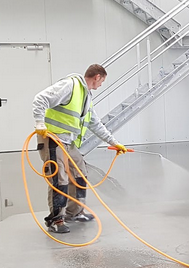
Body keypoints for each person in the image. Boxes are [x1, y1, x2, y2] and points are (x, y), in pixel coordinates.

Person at [32, 64, 128, 234]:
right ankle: (56, 219)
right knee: (59, 179)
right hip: (53, 139)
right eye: (102, 81)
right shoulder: (70, 85)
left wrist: (113, 142)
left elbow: (95, 123)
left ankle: (74, 212)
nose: (100, 85)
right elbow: (41, 98)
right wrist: (39, 123)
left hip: (68, 143)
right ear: (97, 76)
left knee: (80, 173)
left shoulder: (86, 97)